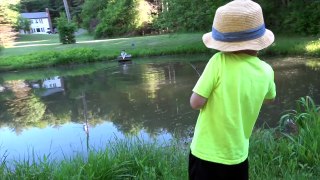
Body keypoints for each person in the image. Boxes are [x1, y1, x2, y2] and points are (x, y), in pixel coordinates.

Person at [188, 0, 276, 179]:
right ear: (260, 41)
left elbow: (195, 103)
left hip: (205, 154)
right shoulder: (267, 71)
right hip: (238, 156)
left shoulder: (218, 61)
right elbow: (269, 99)